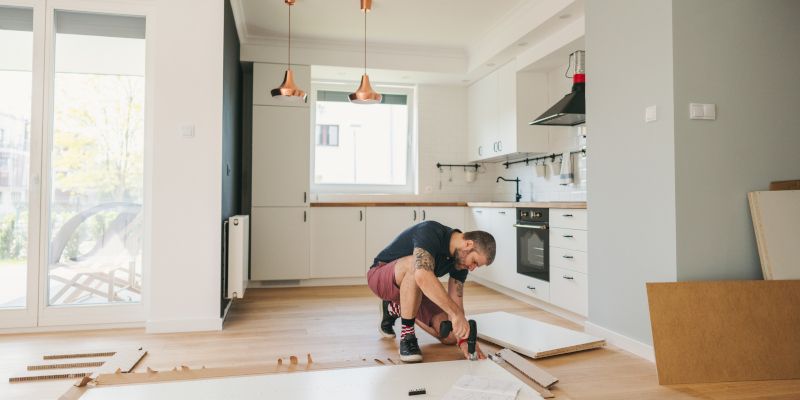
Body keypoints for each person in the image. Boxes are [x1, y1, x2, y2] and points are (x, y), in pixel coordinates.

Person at [366, 220, 496, 362]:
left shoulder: (461, 263)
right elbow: (422, 275)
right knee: (416, 265)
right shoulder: (430, 231)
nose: (472, 268)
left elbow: (456, 304)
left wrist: (463, 339)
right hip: (381, 276)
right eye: (475, 262)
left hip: (414, 289)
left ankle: (394, 308)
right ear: (468, 244)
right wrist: (456, 314)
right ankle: (407, 337)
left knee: (449, 334)